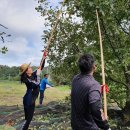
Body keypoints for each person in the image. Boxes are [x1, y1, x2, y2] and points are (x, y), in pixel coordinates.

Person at [71, 54, 111, 130]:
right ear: (94, 67)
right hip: (88, 127)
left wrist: (98, 89)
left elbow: (83, 92)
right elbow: (95, 109)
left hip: (75, 125)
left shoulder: (75, 79)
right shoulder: (93, 85)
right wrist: (105, 126)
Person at [20, 51, 47, 130]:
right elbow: (36, 84)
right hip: (28, 100)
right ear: (26, 71)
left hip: (32, 98)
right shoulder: (27, 80)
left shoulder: (33, 74)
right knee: (28, 119)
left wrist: (44, 57)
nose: (31, 68)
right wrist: (38, 75)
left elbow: (40, 67)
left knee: (29, 119)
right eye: (29, 68)